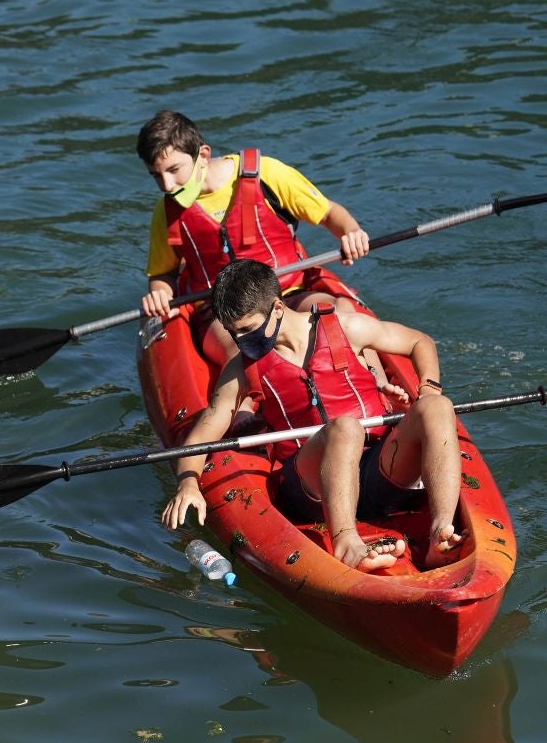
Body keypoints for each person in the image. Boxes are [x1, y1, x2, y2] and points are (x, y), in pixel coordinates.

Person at [161, 259, 464, 573]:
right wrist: (188, 484)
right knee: (345, 428)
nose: (242, 342)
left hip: (378, 468)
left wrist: (427, 389)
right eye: (234, 334)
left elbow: (419, 342)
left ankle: (440, 534)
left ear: (278, 308)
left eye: (248, 330)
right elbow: (204, 431)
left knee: (438, 406)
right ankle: (347, 544)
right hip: (310, 488)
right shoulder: (242, 369)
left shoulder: (346, 327)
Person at [136, 110, 371, 368]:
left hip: (289, 293)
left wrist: (350, 232)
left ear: (202, 155)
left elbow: (328, 213)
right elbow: (163, 274)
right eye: (156, 175)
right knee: (244, 352)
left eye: (173, 170)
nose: (167, 185)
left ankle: (377, 381)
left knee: (341, 313)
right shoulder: (166, 212)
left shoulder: (267, 173)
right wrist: (159, 294)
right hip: (220, 315)